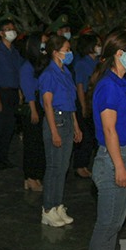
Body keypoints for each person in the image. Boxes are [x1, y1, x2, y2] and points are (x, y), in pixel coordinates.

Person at [85, 30, 126, 250]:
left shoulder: (122, 84)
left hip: (125, 156)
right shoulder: (108, 85)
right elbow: (109, 131)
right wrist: (120, 165)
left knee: (116, 223)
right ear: (120, 54)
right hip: (111, 159)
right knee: (106, 222)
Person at [38, 35, 82, 227]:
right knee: (54, 167)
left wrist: (76, 125)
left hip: (67, 119)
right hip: (56, 119)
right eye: (66, 49)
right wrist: (54, 131)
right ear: (55, 52)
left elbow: (71, 102)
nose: (69, 52)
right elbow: (47, 104)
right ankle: (48, 208)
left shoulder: (66, 72)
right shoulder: (48, 74)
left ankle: (57, 205)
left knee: (63, 168)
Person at [0, 18, 23, 170]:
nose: (11, 31)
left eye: (12, 28)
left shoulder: (15, 52)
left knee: (9, 127)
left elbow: (19, 73)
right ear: (1, 33)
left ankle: (4, 157)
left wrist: (20, 93)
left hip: (13, 92)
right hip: (1, 92)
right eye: (8, 29)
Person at [19, 34, 46, 193]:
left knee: (39, 143)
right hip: (32, 106)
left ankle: (36, 175)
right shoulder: (27, 67)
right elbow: (28, 90)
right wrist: (34, 110)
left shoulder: (40, 65)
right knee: (32, 143)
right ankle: (30, 176)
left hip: (41, 103)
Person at [72, 32, 100, 179]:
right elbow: (80, 86)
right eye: (97, 44)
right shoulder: (82, 64)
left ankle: (89, 163)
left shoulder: (98, 63)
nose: (99, 47)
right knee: (86, 136)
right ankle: (80, 165)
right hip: (85, 101)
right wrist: (83, 106)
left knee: (95, 135)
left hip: (96, 101)